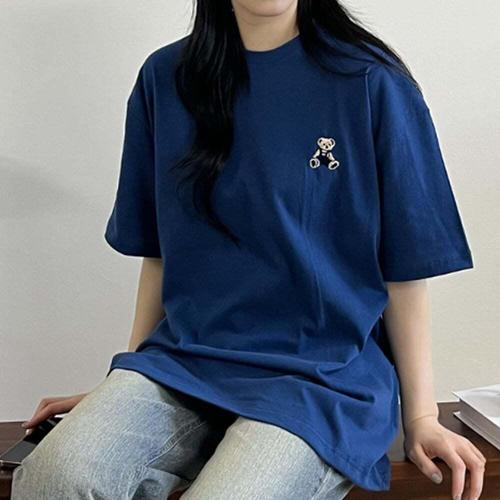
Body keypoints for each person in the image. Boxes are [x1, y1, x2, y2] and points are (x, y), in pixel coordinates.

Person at [11, 1, 486, 499]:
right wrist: (125, 377)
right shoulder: (164, 77)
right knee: (55, 476)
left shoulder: (371, 82)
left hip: (321, 379)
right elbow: (160, 252)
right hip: (184, 362)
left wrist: (421, 417)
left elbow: (405, 269)